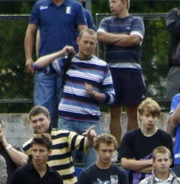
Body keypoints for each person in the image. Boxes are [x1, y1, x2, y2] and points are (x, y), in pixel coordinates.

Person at [32, 30, 114, 168]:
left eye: (91, 43)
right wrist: (60, 53)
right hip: (67, 122)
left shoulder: (102, 66)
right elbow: (38, 66)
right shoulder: (68, 61)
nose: (88, 46)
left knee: (92, 166)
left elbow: (111, 97)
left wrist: (94, 94)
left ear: (95, 44)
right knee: (64, 164)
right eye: (85, 42)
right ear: (78, 41)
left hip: (90, 123)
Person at [22, 105, 94, 184]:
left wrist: (90, 138)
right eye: (34, 121)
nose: (38, 124)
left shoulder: (64, 136)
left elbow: (85, 144)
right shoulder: (28, 146)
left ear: (49, 119)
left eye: (41, 119)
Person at [23, 0, 88, 127]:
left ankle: (62, 143)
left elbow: (84, 34)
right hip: (45, 67)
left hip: (69, 67)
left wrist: (84, 62)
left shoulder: (76, 7)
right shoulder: (39, 6)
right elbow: (30, 32)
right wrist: (28, 58)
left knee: (65, 110)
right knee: (42, 110)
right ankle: (42, 142)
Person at [97, 0, 145, 143]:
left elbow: (135, 39)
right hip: (111, 72)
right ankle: (116, 149)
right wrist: (125, 38)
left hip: (132, 72)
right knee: (114, 112)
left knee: (132, 113)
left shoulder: (136, 21)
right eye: (109, 2)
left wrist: (111, 39)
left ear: (124, 3)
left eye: (114, 1)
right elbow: (100, 37)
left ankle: (131, 147)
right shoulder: (106, 21)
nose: (111, 4)